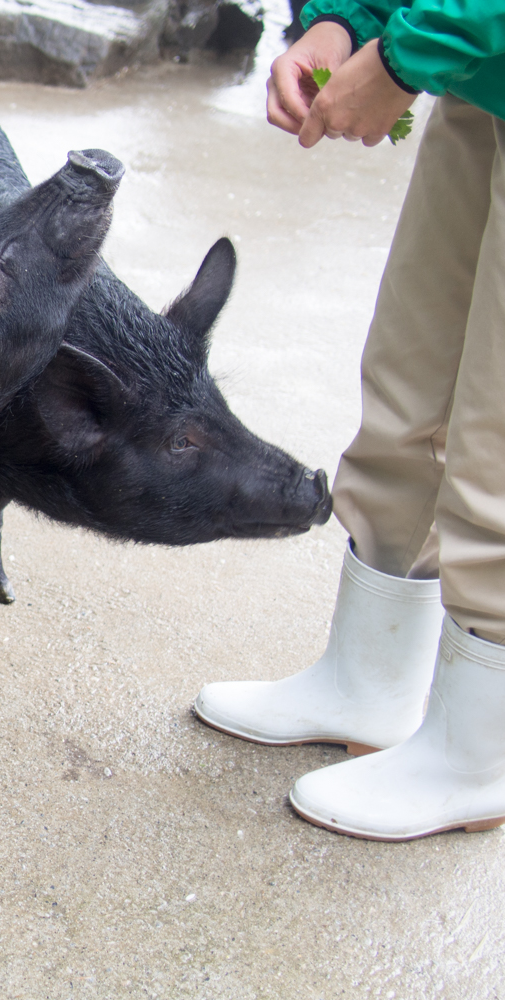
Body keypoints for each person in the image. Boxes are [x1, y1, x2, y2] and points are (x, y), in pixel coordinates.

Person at [192, 0, 505, 841]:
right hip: (485, 76)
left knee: (497, 438)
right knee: (412, 391)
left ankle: (476, 756)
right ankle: (370, 684)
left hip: (473, 38)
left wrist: (406, 57)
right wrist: (347, 20)